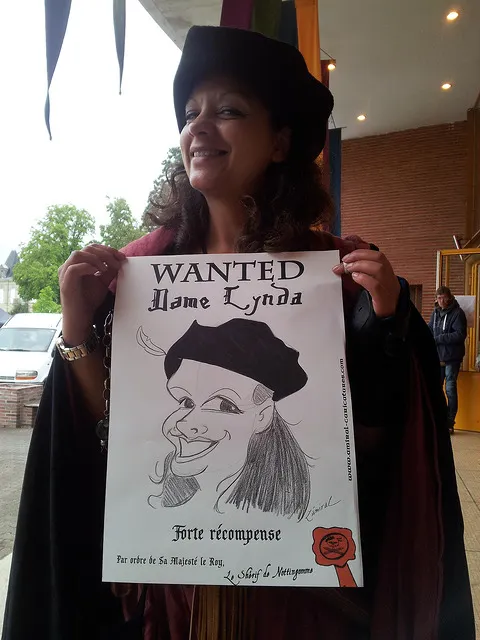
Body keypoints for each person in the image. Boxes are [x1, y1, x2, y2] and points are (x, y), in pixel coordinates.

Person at [2, 25, 474, 640]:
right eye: (190, 114)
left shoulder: (338, 275)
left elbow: (381, 454)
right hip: (171, 603)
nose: (199, 127)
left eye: (227, 111)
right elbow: (102, 437)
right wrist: (77, 327)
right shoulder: (136, 273)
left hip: (299, 607)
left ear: (279, 142)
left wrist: (387, 327)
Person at [146, 318, 310, 518]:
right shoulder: (160, 500)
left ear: (262, 416)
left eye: (224, 405)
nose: (184, 424)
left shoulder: (272, 513)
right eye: (186, 402)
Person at [428, 286, 467, 434]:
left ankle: (450, 423)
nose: (441, 301)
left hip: (452, 358)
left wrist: (439, 338)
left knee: (450, 390)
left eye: (443, 298)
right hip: (437, 357)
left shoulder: (458, 313)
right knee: (435, 390)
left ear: (449, 297)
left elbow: (460, 334)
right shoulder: (435, 313)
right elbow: (430, 329)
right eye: (439, 298)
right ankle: (439, 419)